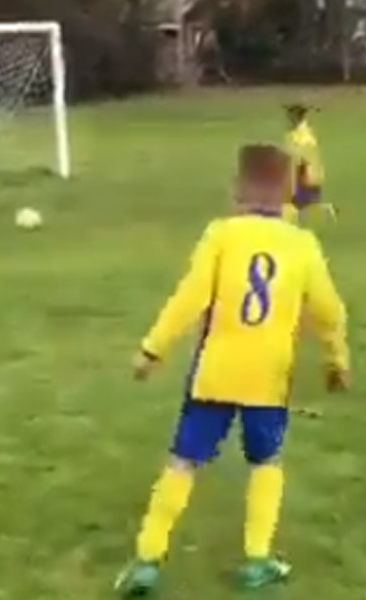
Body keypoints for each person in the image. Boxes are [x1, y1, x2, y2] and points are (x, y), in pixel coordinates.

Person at [114, 144, 350, 597]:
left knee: (183, 461)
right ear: (287, 193)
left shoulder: (220, 234)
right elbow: (329, 311)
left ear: (236, 189)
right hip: (269, 378)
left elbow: (191, 296)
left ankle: (147, 559)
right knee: (267, 461)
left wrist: (152, 350)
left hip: (215, 372)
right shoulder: (303, 245)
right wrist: (337, 361)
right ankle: (257, 560)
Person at [282, 103, 336, 224]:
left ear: (296, 117)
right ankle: (327, 210)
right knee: (305, 203)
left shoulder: (303, 138)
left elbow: (300, 159)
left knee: (295, 203)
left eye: (290, 116)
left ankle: (294, 225)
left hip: (305, 174)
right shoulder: (299, 133)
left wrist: (294, 177)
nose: (288, 119)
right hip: (309, 173)